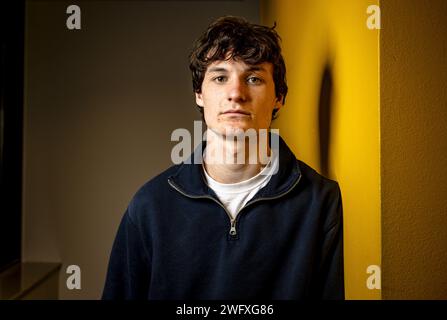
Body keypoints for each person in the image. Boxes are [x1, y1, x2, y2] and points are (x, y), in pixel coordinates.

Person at [102, 16, 344, 300]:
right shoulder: (150, 205)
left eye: (253, 78)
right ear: (199, 94)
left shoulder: (320, 200)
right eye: (219, 78)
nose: (236, 93)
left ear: (279, 97)